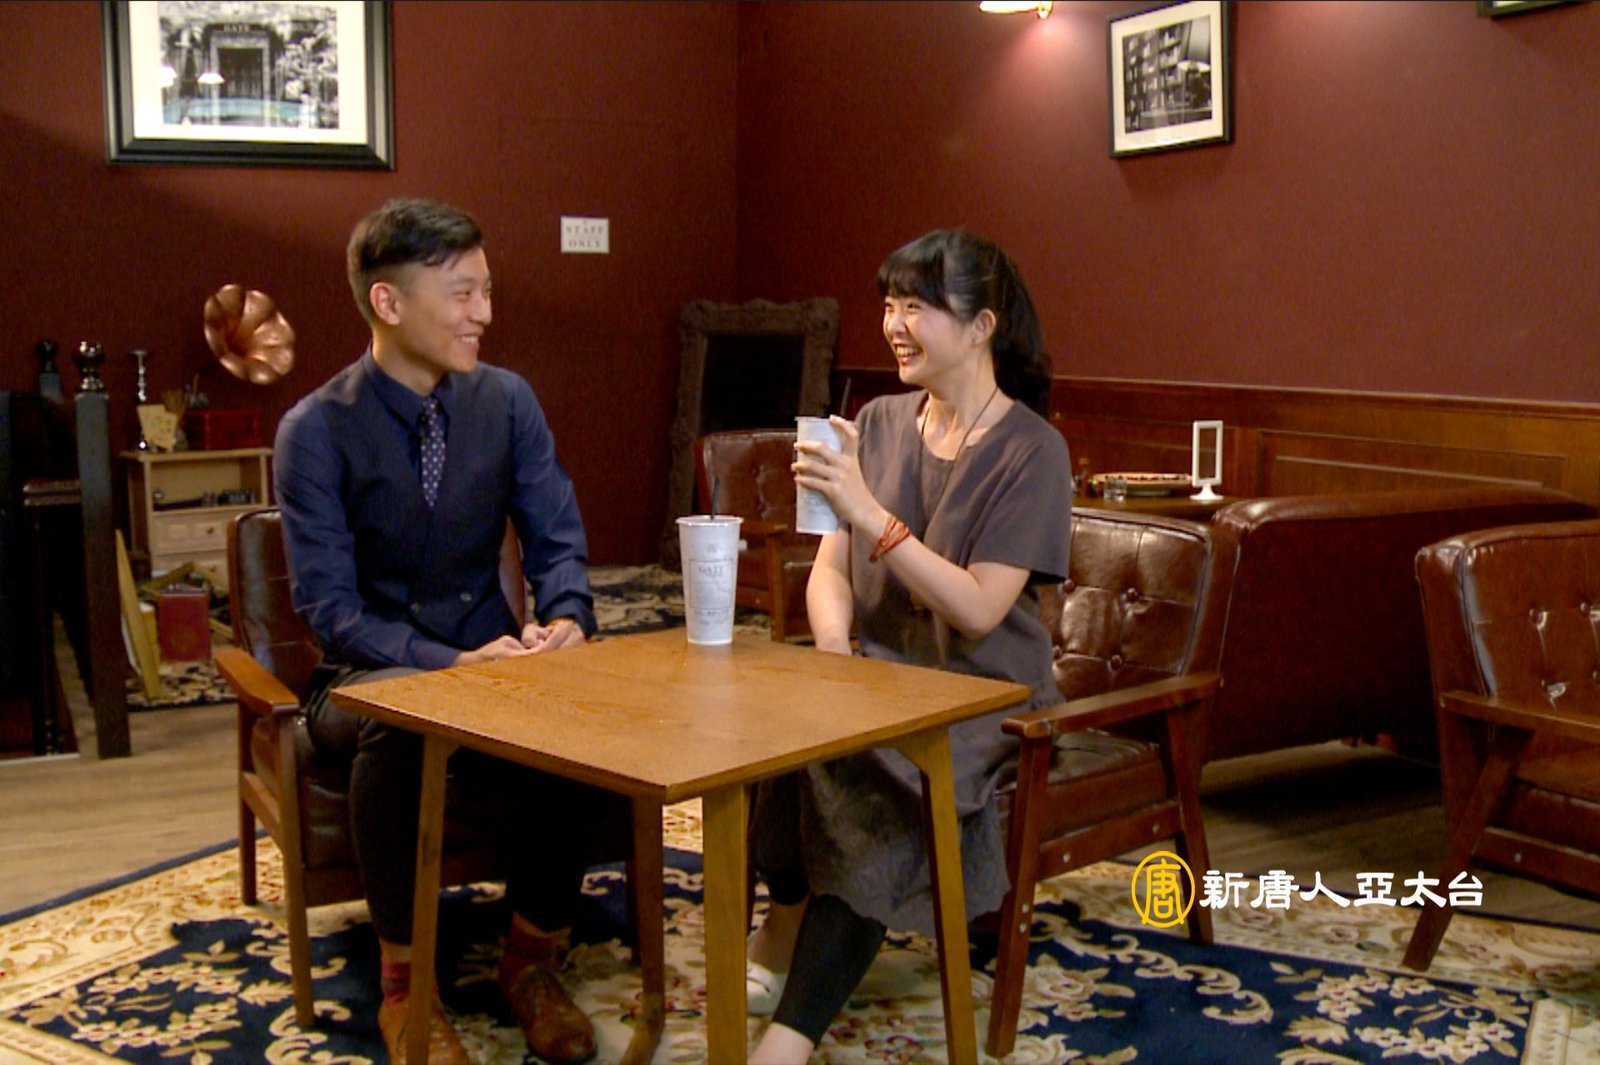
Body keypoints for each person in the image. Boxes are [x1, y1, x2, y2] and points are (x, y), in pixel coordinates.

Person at [274, 197, 621, 1065]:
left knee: (594, 721)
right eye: (463, 293)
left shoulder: (507, 401)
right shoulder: (315, 429)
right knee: (406, 726)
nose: (484, 314)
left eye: (487, 291)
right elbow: (330, 610)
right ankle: (406, 989)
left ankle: (530, 958)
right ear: (388, 302)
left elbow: (556, 537)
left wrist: (568, 617)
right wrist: (448, 662)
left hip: (494, 663)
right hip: (365, 676)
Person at [743, 229, 1073, 1063]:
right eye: (889, 304)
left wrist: (869, 513)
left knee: (886, 781)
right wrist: (832, 651)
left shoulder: (1034, 450)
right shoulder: (876, 421)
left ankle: (791, 1036)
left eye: (916, 306)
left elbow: (978, 608)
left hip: (983, 695)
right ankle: (784, 917)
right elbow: (830, 569)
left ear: (981, 325)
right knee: (775, 737)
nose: (893, 323)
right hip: (879, 674)